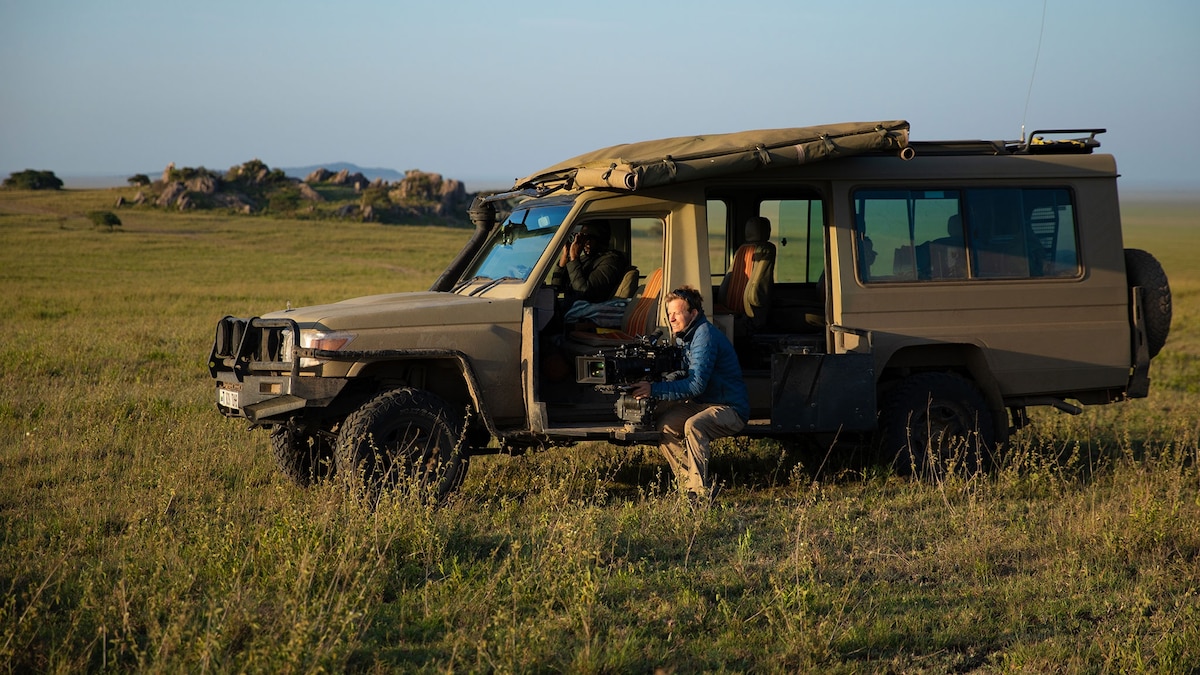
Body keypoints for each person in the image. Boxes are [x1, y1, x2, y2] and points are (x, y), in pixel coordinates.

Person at [630, 286, 749, 504]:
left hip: (730, 409)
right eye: (669, 313)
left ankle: (700, 495)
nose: (671, 318)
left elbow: (695, 386)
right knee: (665, 425)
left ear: (693, 313)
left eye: (676, 313)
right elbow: (685, 372)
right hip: (705, 404)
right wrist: (656, 381)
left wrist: (654, 390)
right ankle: (690, 487)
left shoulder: (704, 336)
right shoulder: (687, 336)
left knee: (694, 425)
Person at [553, 220, 629, 303]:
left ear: (601, 239)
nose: (585, 242)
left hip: (583, 313)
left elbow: (584, 292)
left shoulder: (612, 261)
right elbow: (557, 286)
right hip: (570, 309)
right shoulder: (584, 260)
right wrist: (565, 256)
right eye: (582, 238)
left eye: (589, 238)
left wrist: (574, 258)